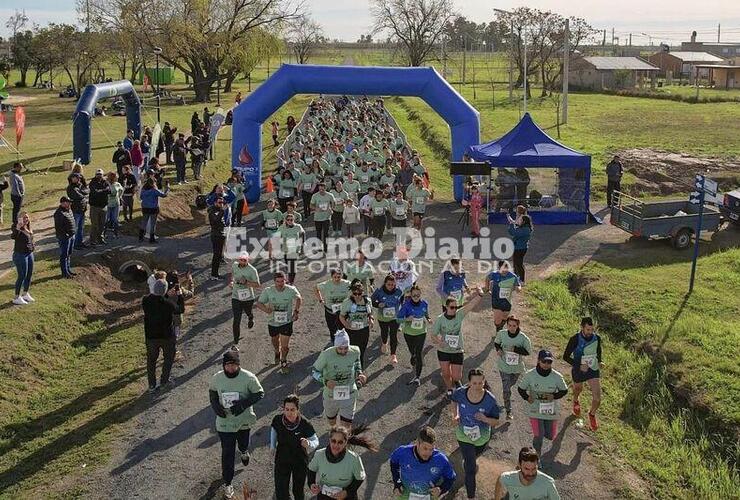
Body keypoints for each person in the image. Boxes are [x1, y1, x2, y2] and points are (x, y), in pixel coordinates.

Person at [209, 349, 265, 500]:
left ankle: (244, 451)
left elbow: (259, 393)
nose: (231, 368)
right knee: (227, 451)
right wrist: (215, 406)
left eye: (234, 364)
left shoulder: (248, 377)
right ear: (223, 365)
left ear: (238, 365)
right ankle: (228, 483)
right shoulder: (217, 378)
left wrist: (243, 404)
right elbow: (213, 392)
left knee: (243, 443)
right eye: (228, 365)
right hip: (225, 422)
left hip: (243, 420)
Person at [452, 368, 500, 500]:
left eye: (480, 383)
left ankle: (471, 462)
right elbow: (454, 400)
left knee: (475, 456)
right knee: (470, 468)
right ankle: (471, 497)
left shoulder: (490, 400)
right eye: (474, 383)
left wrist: (484, 419)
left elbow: (496, 421)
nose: (477, 386)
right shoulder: (461, 392)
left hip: (482, 437)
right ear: (469, 382)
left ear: (484, 382)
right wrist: (455, 414)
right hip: (463, 435)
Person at [431, 288, 484, 397]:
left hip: (457, 350)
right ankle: (450, 389)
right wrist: (439, 342)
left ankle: (455, 382)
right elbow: (433, 335)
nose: (454, 309)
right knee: (446, 374)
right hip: (444, 350)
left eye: (456, 307)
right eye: (452, 307)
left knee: (457, 377)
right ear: (446, 307)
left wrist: (481, 295)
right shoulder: (440, 319)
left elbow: (471, 305)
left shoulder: (459, 315)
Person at [312, 330, 366, 430]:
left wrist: (359, 373)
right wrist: (325, 381)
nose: (343, 351)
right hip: (331, 394)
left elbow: (357, 362)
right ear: (335, 346)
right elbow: (314, 371)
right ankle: (334, 431)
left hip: (349, 392)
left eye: (346, 348)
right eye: (340, 348)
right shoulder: (326, 355)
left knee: (345, 427)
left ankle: (341, 439)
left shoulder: (355, 351)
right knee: (332, 422)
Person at [517, 350, 568, 455]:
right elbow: (521, 389)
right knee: (539, 435)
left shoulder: (557, 377)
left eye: (549, 362)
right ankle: (536, 457)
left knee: (549, 435)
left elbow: (564, 390)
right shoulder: (530, 375)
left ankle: (544, 429)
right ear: (538, 361)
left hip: (549, 409)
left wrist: (554, 396)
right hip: (534, 409)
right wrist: (527, 397)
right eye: (544, 361)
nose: (546, 364)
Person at [271, 394, 319, 500]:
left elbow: (316, 440)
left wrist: (309, 444)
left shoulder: (304, 424)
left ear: (298, 410)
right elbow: (274, 430)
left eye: (292, 409)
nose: (289, 413)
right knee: (281, 490)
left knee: (298, 490)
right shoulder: (278, 420)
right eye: (286, 409)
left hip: (299, 460)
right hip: (282, 458)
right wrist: (272, 446)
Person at [308, 424, 375, 499]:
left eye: (340, 442)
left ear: (345, 442)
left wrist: (346, 492)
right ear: (329, 440)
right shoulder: (319, 454)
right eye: (333, 441)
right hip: (325, 496)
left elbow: (359, 478)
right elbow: (311, 470)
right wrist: (311, 484)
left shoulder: (354, 459)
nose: (336, 445)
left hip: (346, 497)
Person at [389, 426, 456, 499]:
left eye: (431, 449)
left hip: (429, 497)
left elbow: (451, 478)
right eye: (425, 448)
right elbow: (394, 463)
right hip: (404, 495)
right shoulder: (402, 452)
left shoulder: (441, 460)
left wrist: (441, 489)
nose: (428, 453)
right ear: (417, 443)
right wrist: (397, 483)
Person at [142, 279, 184, 392]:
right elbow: (180, 309)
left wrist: (164, 294)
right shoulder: (168, 303)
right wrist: (179, 296)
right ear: (165, 290)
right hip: (167, 336)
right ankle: (164, 380)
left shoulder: (145, 300)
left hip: (151, 336)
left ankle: (151, 384)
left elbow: (155, 299)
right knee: (169, 358)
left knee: (151, 360)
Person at [255, 272, 302, 371]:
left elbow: (298, 298)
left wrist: (296, 312)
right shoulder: (268, 291)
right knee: (275, 340)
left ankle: (284, 359)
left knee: (285, 346)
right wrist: (266, 309)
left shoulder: (291, 289)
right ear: (274, 281)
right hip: (273, 322)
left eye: (282, 281)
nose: (280, 283)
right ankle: (277, 351)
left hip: (286, 322)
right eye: (278, 281)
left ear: (285, 280)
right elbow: (259, 303)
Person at [563, 317, 603, 431]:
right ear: (582, 327)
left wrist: (599, 361)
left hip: (592, 368)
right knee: (578, 388)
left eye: (592, 330)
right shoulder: (575, 339)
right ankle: (576, 400)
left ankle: (592, 414)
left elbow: (598, 350)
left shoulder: (597, 338)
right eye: (588, 329)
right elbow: (565, 357)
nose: (590, 332)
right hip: (579, 369)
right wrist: (579, 365)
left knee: (597, 399)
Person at [494, 315, 532, 420]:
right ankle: (508, 411)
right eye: (509, 325)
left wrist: (516, 349)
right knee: (506, 389)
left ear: (518, 325)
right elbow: (497, 343)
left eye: (514, 326)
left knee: (511, 384)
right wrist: (499, 350)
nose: (511, 328)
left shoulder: (523, 338)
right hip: (504, 366)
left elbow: (528, 352)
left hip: (517, 368)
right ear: (507, 325)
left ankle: (507, 391)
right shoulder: (502, 334)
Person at [495, 447, 560, 500]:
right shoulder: (509, 478)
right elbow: (500, 479)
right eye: (526, 469)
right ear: (519, 464)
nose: (531, 473)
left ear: (537, 465)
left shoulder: (548, 482)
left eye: (534, 468)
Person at [396, 284, 430, 386]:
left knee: (419, 353)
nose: (416, 297)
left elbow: (426, 314)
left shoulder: (424, 303)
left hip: (421, 332)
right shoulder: (406, 305)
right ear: (410, 295)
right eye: (414, 295)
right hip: (409, 333)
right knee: (413, 352)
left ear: (420, 295)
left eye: (418, 295)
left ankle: (417, 377)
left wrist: (428, 319)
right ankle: (413, 355)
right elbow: (398, 319)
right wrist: (407, 319)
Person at [339, 281, 374, 369]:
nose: (357, 296)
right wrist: (346, 325)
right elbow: (341, 316)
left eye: (359, 293)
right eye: (355, 294)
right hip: (351, 331)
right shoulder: (347, 302)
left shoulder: (367, 301)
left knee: (361, 352)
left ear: (363, 292)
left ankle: (359, 372)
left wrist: (371, 319)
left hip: (364, 330)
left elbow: (370, 313)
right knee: (351, 352)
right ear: (352, 293)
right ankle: (349, 370)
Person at [370, 274, 405, 364]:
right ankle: (384, 343)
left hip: (395, 317)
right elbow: (371, 301)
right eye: (389, 284)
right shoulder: (379, 291)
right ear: (385, 283)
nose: (391, 287)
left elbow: (402, 301)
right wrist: (378, 304)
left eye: (393, 285)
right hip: (383, 318)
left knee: (393, 335)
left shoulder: (399, 291)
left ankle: (393, 355)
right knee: (384, 332)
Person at [229, 253, 261, 349]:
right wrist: (231, 281)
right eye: (241, 259)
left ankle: (250, 317)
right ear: (238, 259)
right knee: (236, 319)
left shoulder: (252, 270)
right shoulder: (234, 265)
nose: (242, 262)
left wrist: (246, 282)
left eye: (245, 260)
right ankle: (236, 340)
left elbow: (258, 285)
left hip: (248, 297)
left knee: (248, 312)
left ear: (248, 260)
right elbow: (232, 274)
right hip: (236, 296)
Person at [485, 260, 522, 331]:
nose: (504, 271)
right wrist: (487, 288)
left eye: (506, 268)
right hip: (496, 300)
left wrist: (518, 289)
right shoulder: (494, 274)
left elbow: (518, 286)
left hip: (507, 301)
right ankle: (498, 331)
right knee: (497, 320)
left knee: (505, 317)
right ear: (499, 268)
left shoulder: (512, 276)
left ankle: (500, 326)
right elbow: (487, 278)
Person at [316, 270, 351, 344]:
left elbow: (354, 291)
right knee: (332, 329)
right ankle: (334, 343)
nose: (336, 279)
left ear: (341, 276)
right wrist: (320, 300)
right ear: (331, 277)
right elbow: (315, 288)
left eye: (339, 277)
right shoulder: (326, 284)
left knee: (344, 328)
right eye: (334, 277)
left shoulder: (347, 284)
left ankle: (345, 342)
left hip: (343, 312)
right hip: (330, 311)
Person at [11, 212, 35, 305]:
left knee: (29, 274)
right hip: (20, 255)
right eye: (23, 218)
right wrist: (18, 227)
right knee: (22, 276)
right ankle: (16, 297)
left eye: (27, 217)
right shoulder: (15, 226)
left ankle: (25, 293)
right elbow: (13, 236)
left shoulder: (28, 226)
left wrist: (32, 247)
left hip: (29, 254)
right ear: (19, 219)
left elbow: (30, 239)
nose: (26, 219)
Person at [139, 178, 169, 243]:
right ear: (153, 183)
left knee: (144, 222)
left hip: (145, 208)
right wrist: (167, 189)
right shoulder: (154, 190)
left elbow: (141, 197)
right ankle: (151, 239)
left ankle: (140, 237)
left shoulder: (143, 189)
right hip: (153, 208)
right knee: (153, 224)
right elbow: (164, 195)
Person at [278, 213, 305, 285]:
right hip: (285, 249)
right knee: (288, 266)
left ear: (294, 220)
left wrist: (302, 244)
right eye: (288, 220)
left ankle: (291, 281)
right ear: (285, 220)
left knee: (292, 266)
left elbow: (302, 234)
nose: (290, 221)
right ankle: (290, 277)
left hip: (295, 249)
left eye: (291, 220)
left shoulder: (298, 226)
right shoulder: (282, 227)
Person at [507, 211, 533, 285]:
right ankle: (517, 278)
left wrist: (512, 223)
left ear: (524, 221)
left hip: (520, 249)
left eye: (520, 220)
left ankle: (522, 280)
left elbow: (514, 232)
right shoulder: (524, 228)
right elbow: (511, 232)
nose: (519, 220)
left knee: (519, 264)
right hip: (518, 248)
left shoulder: (525, 229)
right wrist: (512, 223)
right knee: (516, 264)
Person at [54, 196, 76, 279]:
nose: (70, 203)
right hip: (65, 237)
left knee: (69, 254)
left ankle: (68, 270)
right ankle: (64, 272)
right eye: (68, 202)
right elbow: (59, 227)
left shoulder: (69, 210)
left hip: (71, 235)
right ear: (63, 203)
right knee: (64, 255)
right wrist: (65, 235)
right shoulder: (59, 213)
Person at [88, 169, 111, 246]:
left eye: (100, 174)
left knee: (102, 224)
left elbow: (109, 191)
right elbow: (95, 192)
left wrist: (100, 191)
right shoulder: (92, 182)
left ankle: (100, 238)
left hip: (104, 206)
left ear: (103, 175)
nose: (99, 176)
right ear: (95, 175)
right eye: (97, 174)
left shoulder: (105, 182)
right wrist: (104, 190)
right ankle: (92, 240)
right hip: (94, 207)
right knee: (95, 224)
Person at [67, 172, 89, 249]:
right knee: (75, 228)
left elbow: (87, 191)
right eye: (73, 178)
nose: (75, 179)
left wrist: (82, 193)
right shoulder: (70, 188)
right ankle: (75, 244)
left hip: (82, 210)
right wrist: (83, 194)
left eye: (76, 178)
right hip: (76, 210)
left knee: (81, 228)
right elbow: (78, 196)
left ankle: (80, 242)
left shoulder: (80, 186)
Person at [310, 182, 335, 252]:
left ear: (325, 188)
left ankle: (326, 247)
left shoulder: (330, 195)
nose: (321, 191)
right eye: (320, 189)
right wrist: (316, 209)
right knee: (318, 233)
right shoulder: (315, 196)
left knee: (326, 233)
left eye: (322, 189)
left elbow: (333, 203)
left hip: (326, 217)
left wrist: (331, 208)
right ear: (318, 188)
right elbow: (311, 205)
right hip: (317, 218)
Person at [208, 196, 229, 279]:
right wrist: (223, 211)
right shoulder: (212, 211)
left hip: (221, 234)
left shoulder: (219, 210)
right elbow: (215, 221)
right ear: (215, 203)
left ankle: (215, 273)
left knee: (219, 255)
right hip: (216, 235)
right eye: (220, 202)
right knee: (216, 255)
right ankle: (214, 274)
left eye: (222, 203)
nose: (221, 204)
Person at [106, 172, 123, 239]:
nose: (117, 178)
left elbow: (121, 190)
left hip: (116, 204)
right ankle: (104, 234)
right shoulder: (106, 184)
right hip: (108, 204)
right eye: (116, 177)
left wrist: (119, 197)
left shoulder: (118, 184)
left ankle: (115, 234)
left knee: (115, 219)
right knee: (106, 219)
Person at [9, 162, 25, 228]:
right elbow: (15, 186)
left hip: (17, 195)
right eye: (20, 167)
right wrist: (19, 194)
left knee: (17, 209)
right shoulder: (14, 175)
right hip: (16, 196)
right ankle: (16, 223)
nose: (21, 168)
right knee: (16, 210)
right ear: (16, 167)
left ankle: (16, 222)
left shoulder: (16, 174)